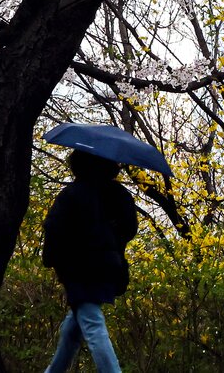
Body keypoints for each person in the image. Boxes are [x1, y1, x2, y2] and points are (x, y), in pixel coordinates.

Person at [42, 150, 138, 373]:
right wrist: (111, 241)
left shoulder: (73, 194)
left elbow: (54, 228)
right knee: (72, 329)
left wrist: (51, 258)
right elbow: (130, 228)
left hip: (79, 269)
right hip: (108, 267)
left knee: (92, 324)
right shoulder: (119, 193)